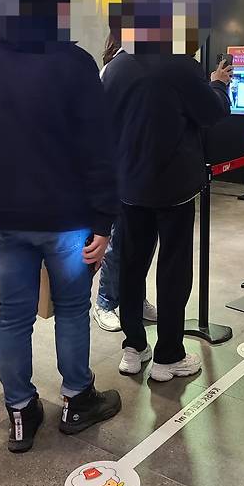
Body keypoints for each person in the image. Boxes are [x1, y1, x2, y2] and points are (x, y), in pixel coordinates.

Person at [0, 0, 121, 453]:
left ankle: (21, 412)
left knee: (13, 313)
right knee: (70, 309)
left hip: (2, 214)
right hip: (66, 217)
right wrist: (104, 221)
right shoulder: (75, 62)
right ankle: (77, 398)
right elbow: (98, 150)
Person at [103, 0, 231, 381]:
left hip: (128, 186)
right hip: (174, 188)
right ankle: (169, 355)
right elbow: (211, 113)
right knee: (173, 269)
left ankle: (133, 346)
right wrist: (218, 83)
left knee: (131, 265)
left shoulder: (116, 67)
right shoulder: (178, 65)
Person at [93, 31, 158, 332]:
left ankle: (134, 296)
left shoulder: (142, 64)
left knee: (140, 243)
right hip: (118, 171)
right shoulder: (114, 69)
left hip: (141, 171)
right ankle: (106, 301)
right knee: (118, 242)